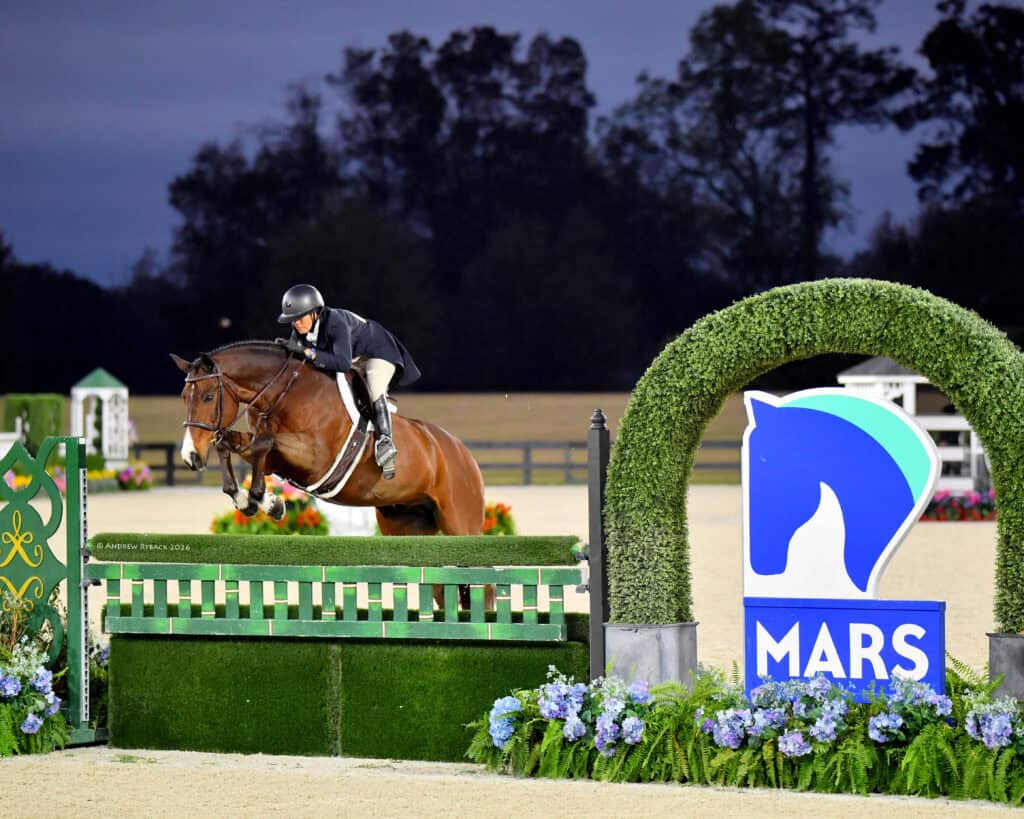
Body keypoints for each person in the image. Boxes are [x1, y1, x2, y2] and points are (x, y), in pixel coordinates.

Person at [277, 284, 421, 479]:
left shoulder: (335, 322)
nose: (296, 325)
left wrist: (308, 352)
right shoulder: (300, 327)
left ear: (315, 313)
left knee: (374, 387)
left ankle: (385, 443)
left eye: (299, 318)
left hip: (376, 353)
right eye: (292, 320)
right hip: (351, 356)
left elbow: (342, 363)